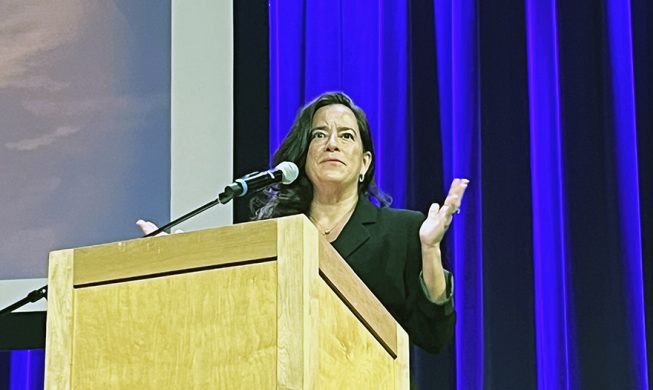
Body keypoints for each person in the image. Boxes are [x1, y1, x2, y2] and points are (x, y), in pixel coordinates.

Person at [138, 91, 467, 354]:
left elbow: (433, 337)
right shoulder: (274, 233)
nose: (331, 144)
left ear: (365, 163)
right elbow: (232, 315)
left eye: (347, 136)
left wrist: (429, 249)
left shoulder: (402, 231)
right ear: (304, 156)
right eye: (319, 135)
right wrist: (176, 265)